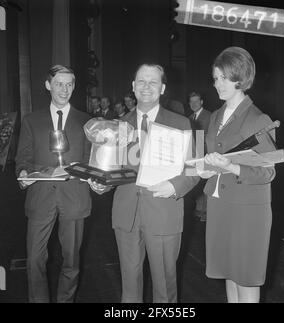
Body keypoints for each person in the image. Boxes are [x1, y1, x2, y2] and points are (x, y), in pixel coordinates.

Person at [90, 63, 199, 303]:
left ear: (162, 88)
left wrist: (175, 186)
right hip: (126, 215)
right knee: (129, 288)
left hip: (164, 212)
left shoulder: (182, 123)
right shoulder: (117, 125)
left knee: (165, 287)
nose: (146, 86)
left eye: (153, 82)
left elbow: (196, 168)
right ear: (133, 87)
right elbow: (111, 170)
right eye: (141, 81)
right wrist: (102, 183)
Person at [196, 47, 276, 303]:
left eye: (223, 78)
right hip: (221, 204)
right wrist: (205, 166)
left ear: (240, 78)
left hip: (247, 210)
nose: (217, 84)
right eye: (215, 78)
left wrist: (231, 167)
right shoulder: (216, 115)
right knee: (229, 275)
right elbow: (215, 156)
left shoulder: (258, 118)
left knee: (246, 278)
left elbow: (267, 171)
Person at [15, 65, 91, 303]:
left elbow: (92, 161)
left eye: (69, 84)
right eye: (59, 83)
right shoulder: (31, 120)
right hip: (41, 197)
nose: (64, 89)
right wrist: (24, 173)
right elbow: (22, 160)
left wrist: (94, 177)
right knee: (35, 259)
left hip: (75, 198)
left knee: (71, 260)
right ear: (48, 85)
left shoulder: (87, 122)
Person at [188, 91, 211, 221]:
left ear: (201, 102)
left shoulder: (209, 115)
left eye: (197, 101)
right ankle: (200, 209)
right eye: (191, 102)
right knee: (197, 180)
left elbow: (210, 135)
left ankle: (206, 212)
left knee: (206, 182)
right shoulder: (190, 117)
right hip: (194, 154)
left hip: (205, 153)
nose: (194, 104)